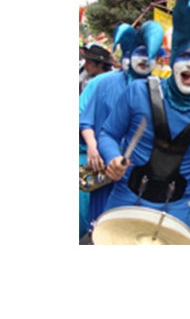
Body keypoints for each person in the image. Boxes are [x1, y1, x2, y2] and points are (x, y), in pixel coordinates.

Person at [99, 0, 190, 228]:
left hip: (174, 211)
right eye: (185, 55)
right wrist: (112, 156)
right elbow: (109, 134)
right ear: (173, 59)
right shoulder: (138, 92)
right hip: (125, 200)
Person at [79, 21, 164, 239]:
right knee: (98, 227)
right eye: (141, 52)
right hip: (102, 169)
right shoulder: (105, 83)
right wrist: (92, 147)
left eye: (151, 54)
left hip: (137, 177)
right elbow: (86, 121)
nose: (146, 59)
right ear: (130, 54)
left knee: (128, 233)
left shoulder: (160, 92)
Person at [77, 42, 116, 239]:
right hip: (88, 153)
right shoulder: (91, 80)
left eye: (91, 62)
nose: (87, 64)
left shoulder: (103, 82)